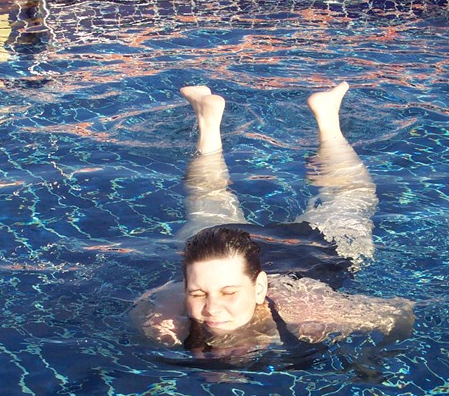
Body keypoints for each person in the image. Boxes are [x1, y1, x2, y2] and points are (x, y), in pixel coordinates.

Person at [131, 81, 414, 361]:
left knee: (351, 194)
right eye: (197, 294)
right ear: (185, 288)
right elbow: (143, 305)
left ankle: (328, 120)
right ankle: (207, 121)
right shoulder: (163, 324)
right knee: (207, 196)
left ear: (259, 290)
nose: (212, 309)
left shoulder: (308, 313)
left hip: (312, 248)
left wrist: (371, 356)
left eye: (228, 293)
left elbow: (399, 315)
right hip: (222, 245)